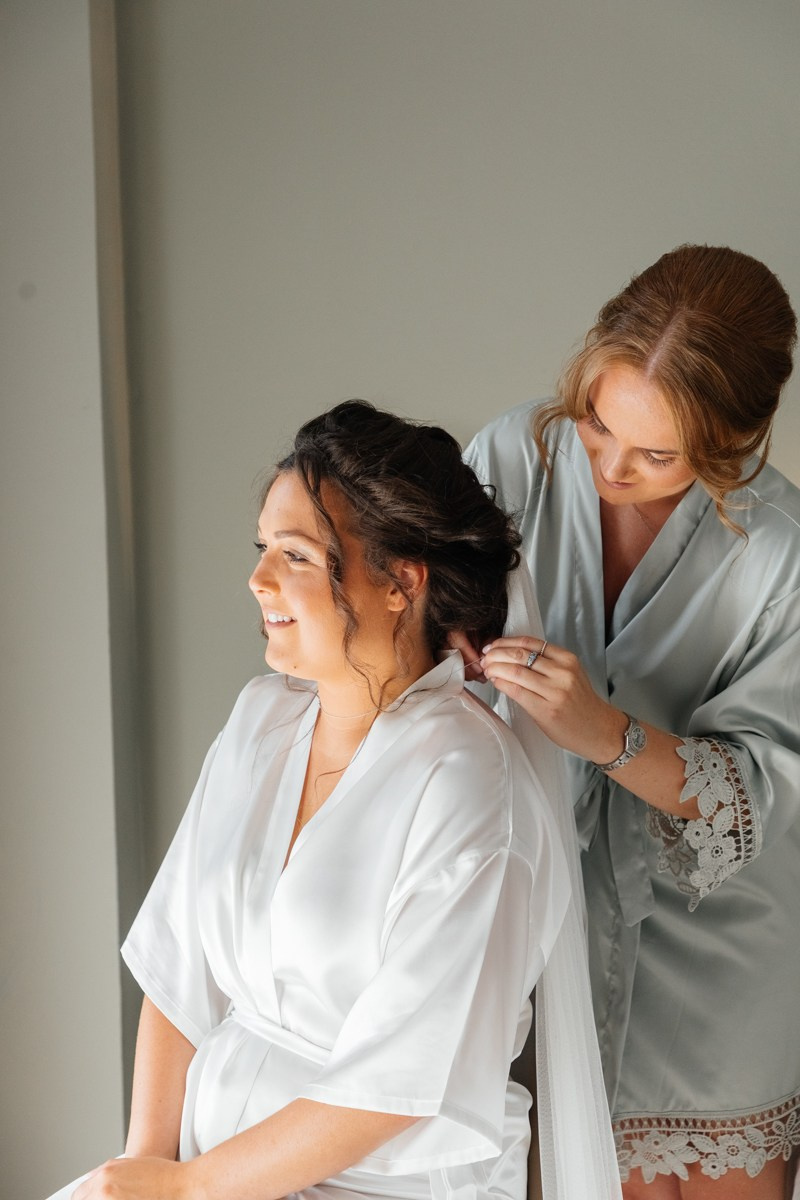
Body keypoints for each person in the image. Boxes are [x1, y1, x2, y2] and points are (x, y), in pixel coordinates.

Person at [49, 401, 620, 1200]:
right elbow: (178, 971)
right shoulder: (260, 721)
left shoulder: (469, 782)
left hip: (382, 1184)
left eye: (295, 555)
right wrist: (147, 1168)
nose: (258, 580)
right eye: (261, 549)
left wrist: (189, 1190)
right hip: (205, 1167)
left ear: (400, 583)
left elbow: (399, 1079)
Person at [462, 244, 800, 1199]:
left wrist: (606, 734)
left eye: (658, 455)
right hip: (538, 932)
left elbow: (761, 789)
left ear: (736, 439)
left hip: (714, 949)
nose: (611, 466)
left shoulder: (781, 557)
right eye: (599, 422)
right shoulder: (511, 460)